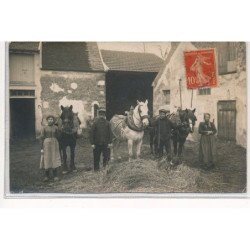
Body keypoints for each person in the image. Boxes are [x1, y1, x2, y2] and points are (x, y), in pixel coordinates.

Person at [40, 115, 61, 181]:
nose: (50, 120)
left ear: (53, 120)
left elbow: (58, 136)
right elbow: (42, 138)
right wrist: (42, 148)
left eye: (52, 119)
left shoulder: (56, 127)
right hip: (46, 144)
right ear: (47, 120)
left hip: (55, 143)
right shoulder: (44, 128)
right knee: (47, 158)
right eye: (49, 119)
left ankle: (55, 176)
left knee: (54, 158)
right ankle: (47, 176)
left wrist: (60, 130)